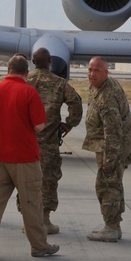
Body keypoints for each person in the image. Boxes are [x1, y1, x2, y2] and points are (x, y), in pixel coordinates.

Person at [0, 54, 59, 260]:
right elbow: (39, 126)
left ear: (8, 70)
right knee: (32, 204)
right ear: (26, 73)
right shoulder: (29, 93)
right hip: (25, 158)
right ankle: (39, 246)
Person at [26, 47, 83, 234]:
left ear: (33, 62)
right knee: (48, 180)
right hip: (49, 142)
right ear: (49, 61)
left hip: (25, 142)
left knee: (26, 181)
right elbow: (76, 102)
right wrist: (69, 124)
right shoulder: (59, 83)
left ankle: (28, 221)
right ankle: (44, 220)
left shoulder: (25, 82)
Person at [82, 56, 131, 242]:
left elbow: (113, 131)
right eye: (90, 70)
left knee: (107, 186)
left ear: (106, 73)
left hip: (112, 148)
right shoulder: (100, 87)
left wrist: (109, 161)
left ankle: (111, 228)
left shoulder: (107, 96)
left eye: (97, 70)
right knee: (113, 185)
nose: (92, 74)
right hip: (109, 146)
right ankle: (114, 226)